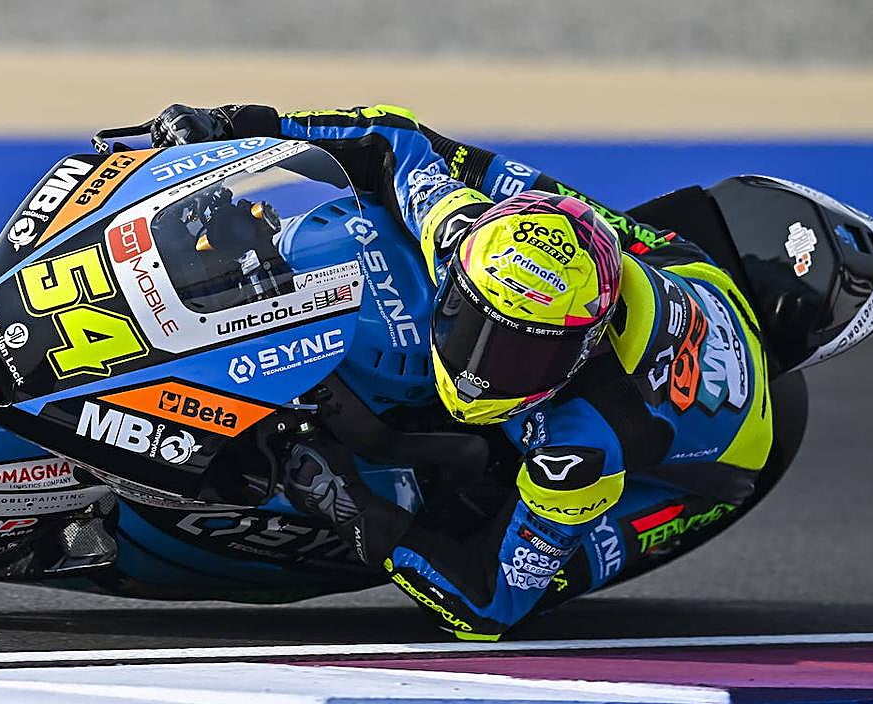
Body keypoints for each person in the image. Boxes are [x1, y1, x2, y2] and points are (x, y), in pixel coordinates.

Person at [147, 103, 777, 640]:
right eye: (473, 325)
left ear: (581, 350)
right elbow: (390, 135)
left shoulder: (581, 446)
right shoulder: (462, 229)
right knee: (471, 176)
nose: (481, 370)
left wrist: (349, 503)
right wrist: (238, 124)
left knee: (494, 552)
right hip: (682, 265)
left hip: (707, 469)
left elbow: (488, 605)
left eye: (524, 355)